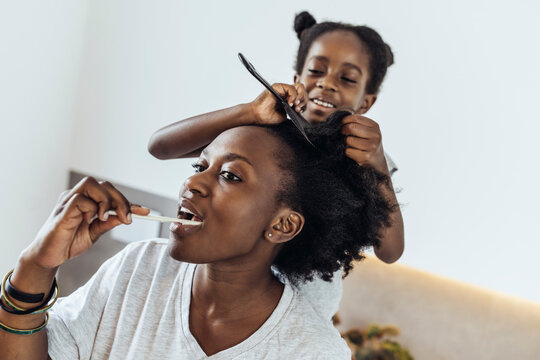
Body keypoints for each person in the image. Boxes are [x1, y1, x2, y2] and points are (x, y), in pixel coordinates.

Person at [0, 112, 393, 359]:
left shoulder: (312, 351)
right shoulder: (138, 269)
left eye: (230, 175)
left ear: (282, 225)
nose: (193, 182)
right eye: (200, 165)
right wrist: (35, 267)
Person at [147, 11, 403, 265]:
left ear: (366, 103)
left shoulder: (365, 156)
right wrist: (249, 112)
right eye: (316, 70)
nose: (327, 83)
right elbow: (160, 147)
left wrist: (377, 164)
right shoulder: (264, 132)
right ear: (297, 79)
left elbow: (390, 252)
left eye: (347, 79)